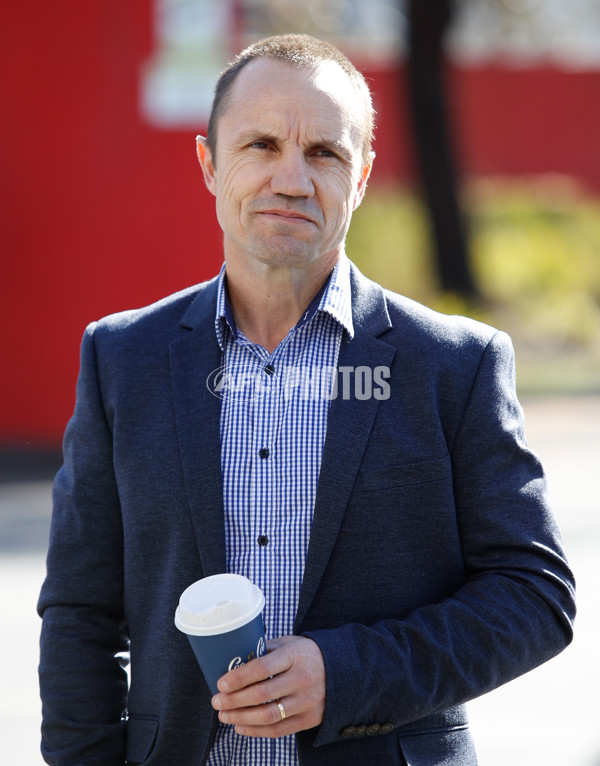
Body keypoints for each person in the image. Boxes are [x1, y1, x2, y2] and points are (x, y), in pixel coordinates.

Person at [38, 33, 575, 766]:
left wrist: (347, 673)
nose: (291, 179)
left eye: (324, 152)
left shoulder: (456, 366)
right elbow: (80, 614)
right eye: (261, 144)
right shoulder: (121, 358)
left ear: (361, 178)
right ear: (209, 163)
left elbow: (535, 596)